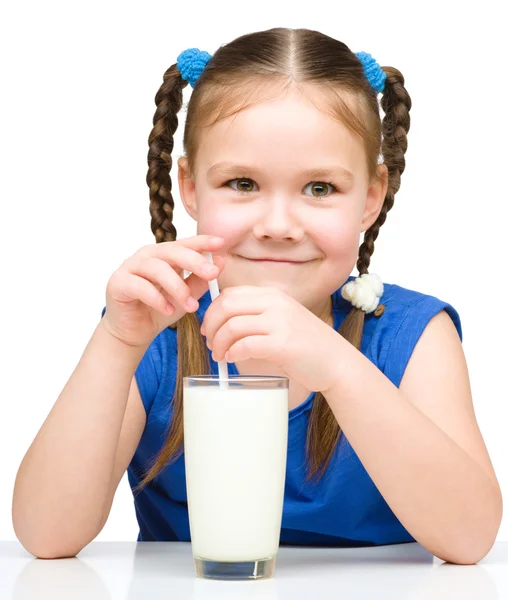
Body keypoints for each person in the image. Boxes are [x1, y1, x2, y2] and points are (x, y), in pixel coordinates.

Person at [12, 27, 502, 565]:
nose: (277, 225)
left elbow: (470, 537)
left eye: (320, 188)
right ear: (191, 188)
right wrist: (114, 343)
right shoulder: (156, 332)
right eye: (243, 183)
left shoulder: (411, 334)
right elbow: (46, 536)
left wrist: (337, 366)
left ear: (371, 198)